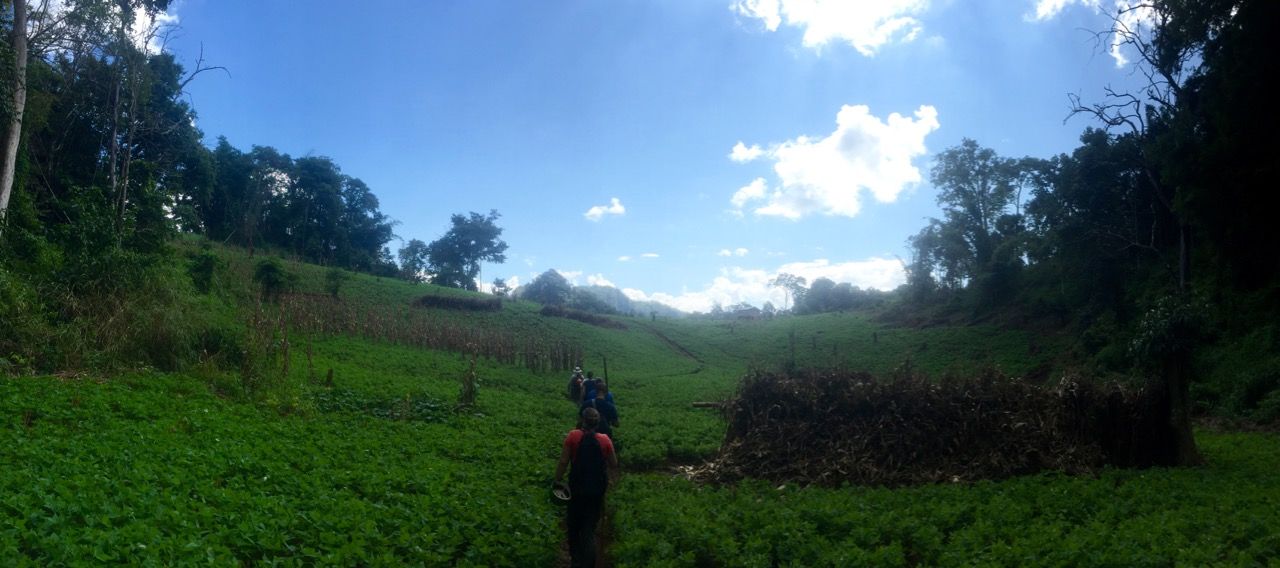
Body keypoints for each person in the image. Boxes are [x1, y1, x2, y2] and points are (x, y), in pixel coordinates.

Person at [553, 407, 618, 568]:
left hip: (576, 487)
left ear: (583, 420)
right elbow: (614, 463)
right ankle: (588, 561)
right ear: (597, 423)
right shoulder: (605, 439)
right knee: (589, 525)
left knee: (574, 523)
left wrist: (557, 480)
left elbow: (563, 462)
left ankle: (575, 558)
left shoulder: (573, 436)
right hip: (597, 489)